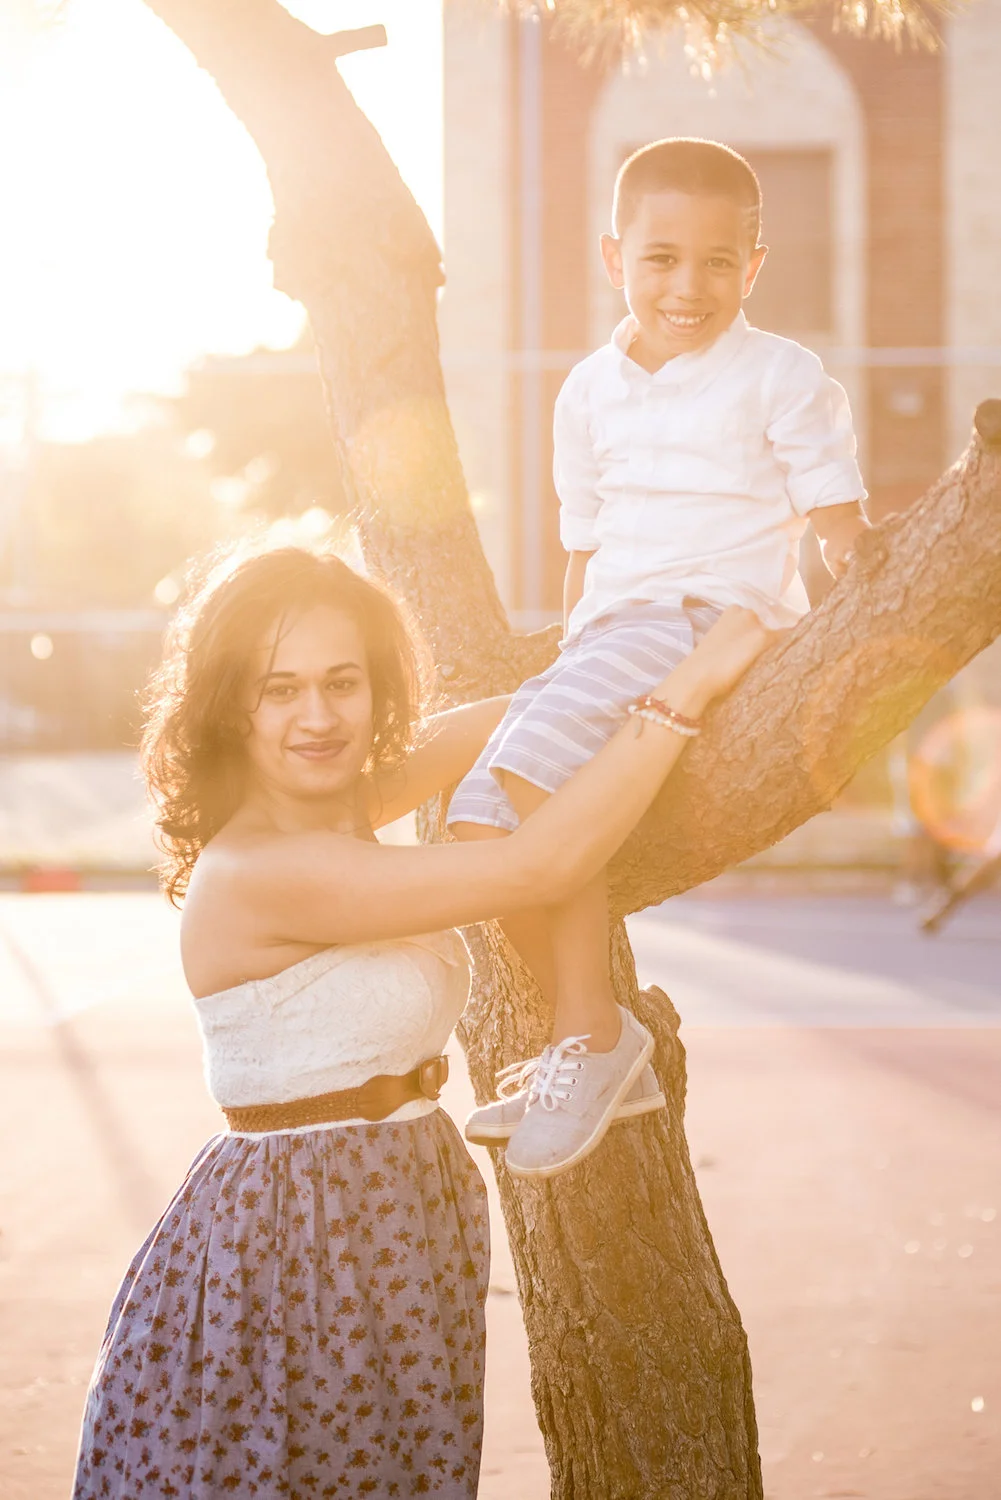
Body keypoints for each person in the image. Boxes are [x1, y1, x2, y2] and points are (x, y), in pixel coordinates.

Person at [71, 543, 769, 1500]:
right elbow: (539, 869)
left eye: (341, 682)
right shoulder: (262, 871)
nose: (316, 717)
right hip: (292, 1245)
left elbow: (545, 716)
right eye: (279, 689)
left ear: (377, 690)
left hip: (396, 1211)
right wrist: (681, 691)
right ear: (233, 703)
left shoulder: (340, 807)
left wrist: (658, 614)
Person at [448, 137, 870, 1180]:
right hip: (609, 631)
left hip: (699, 616)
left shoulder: (778, 375)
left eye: (717, 263)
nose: (688, 286)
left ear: (753, 267)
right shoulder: (585, 391)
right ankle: (592, 1048)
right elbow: (582, 541)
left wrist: (827, 645)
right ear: (612, 258)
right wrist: (565, 656)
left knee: (521, 772)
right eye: (661, 259)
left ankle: (593, 1039)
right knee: (475, 827)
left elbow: (839, 530)